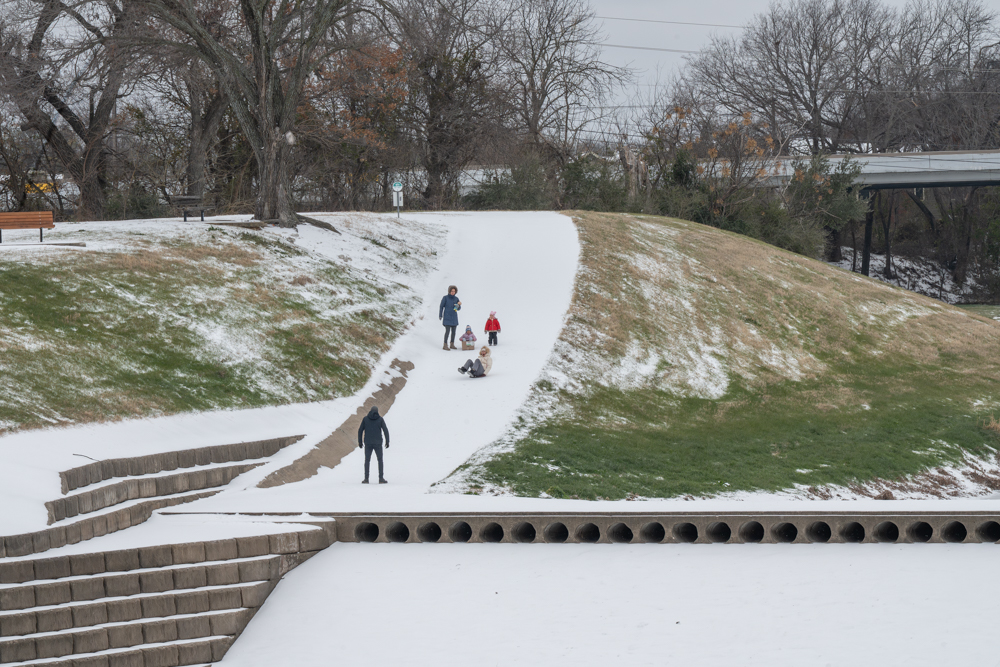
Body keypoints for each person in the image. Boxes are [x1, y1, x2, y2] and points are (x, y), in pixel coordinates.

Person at [357, 406, 389, 484]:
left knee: (367, 460)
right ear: (377, 411)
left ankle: (366, 479)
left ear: (370, 411)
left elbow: (360, 430)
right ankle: (381, 478)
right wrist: (387, 441)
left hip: (368, 443)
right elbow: (385, 430)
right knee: (380, 460)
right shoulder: (380, 419)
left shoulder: (365, 419)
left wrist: (360, 442)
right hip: (378, 443)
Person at [439, 285, 461, 350]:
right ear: (449, 291)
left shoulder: (456, 299)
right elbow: (441, 306)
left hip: (454, 318)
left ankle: (452, 344)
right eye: (452, 291)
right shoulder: (445, 298)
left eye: (454, 291)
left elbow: (458, 308)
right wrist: (440, 315)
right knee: (447, 331)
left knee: (454, 332)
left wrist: (458, 306)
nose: (453, 292)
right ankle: (445, 344)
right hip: (447, 317)